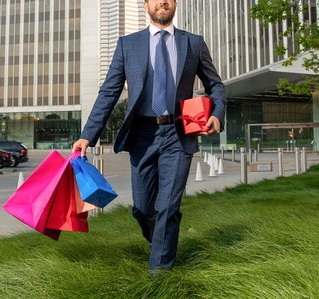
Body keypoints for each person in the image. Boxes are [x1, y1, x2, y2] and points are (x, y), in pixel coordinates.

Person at [72, 0, 225, 273]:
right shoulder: (127, 45)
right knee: (143, 209)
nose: (162, 2)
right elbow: (109, 92)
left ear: (175, 4)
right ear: (146, 5)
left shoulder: (194, 43)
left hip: (178, 134)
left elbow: (216, 86)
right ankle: (162, 246)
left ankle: (160, 274)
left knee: (167, 206)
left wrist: (217, 114)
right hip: (142, 134)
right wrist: (87, 135)